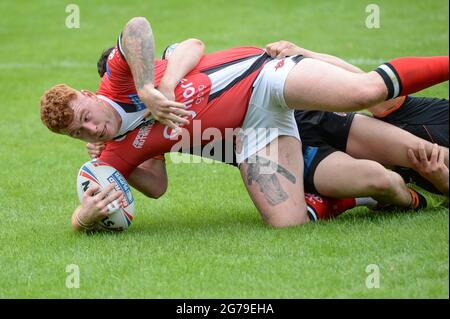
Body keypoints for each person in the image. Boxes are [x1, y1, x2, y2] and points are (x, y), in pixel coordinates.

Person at [40, 17, 449, 230]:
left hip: (263, 77)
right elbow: (156, 187)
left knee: (365, 94)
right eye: (78, 132)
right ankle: (359, 198)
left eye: (84, 117)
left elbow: (137, 27)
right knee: (287, 224)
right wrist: (85, 215)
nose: (90, 129)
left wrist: (153, 87)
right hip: (255, 134)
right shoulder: (112, 152)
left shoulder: (120, 78)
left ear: (89, 95)